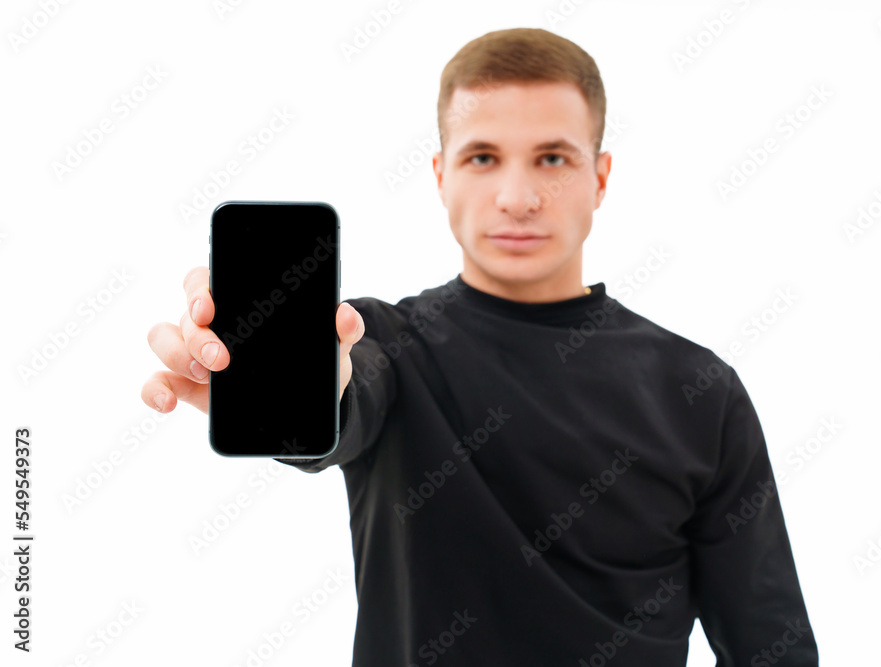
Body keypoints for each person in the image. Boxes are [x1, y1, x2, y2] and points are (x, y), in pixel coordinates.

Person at [142, 27, 819, 666]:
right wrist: (292, 380)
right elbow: (346, 399)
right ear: (441, 176)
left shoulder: (700, 389)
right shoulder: (386, 346)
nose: (517, 197)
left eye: (552, 158)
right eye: (483, 157)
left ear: (601, 177)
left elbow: (772, 647)